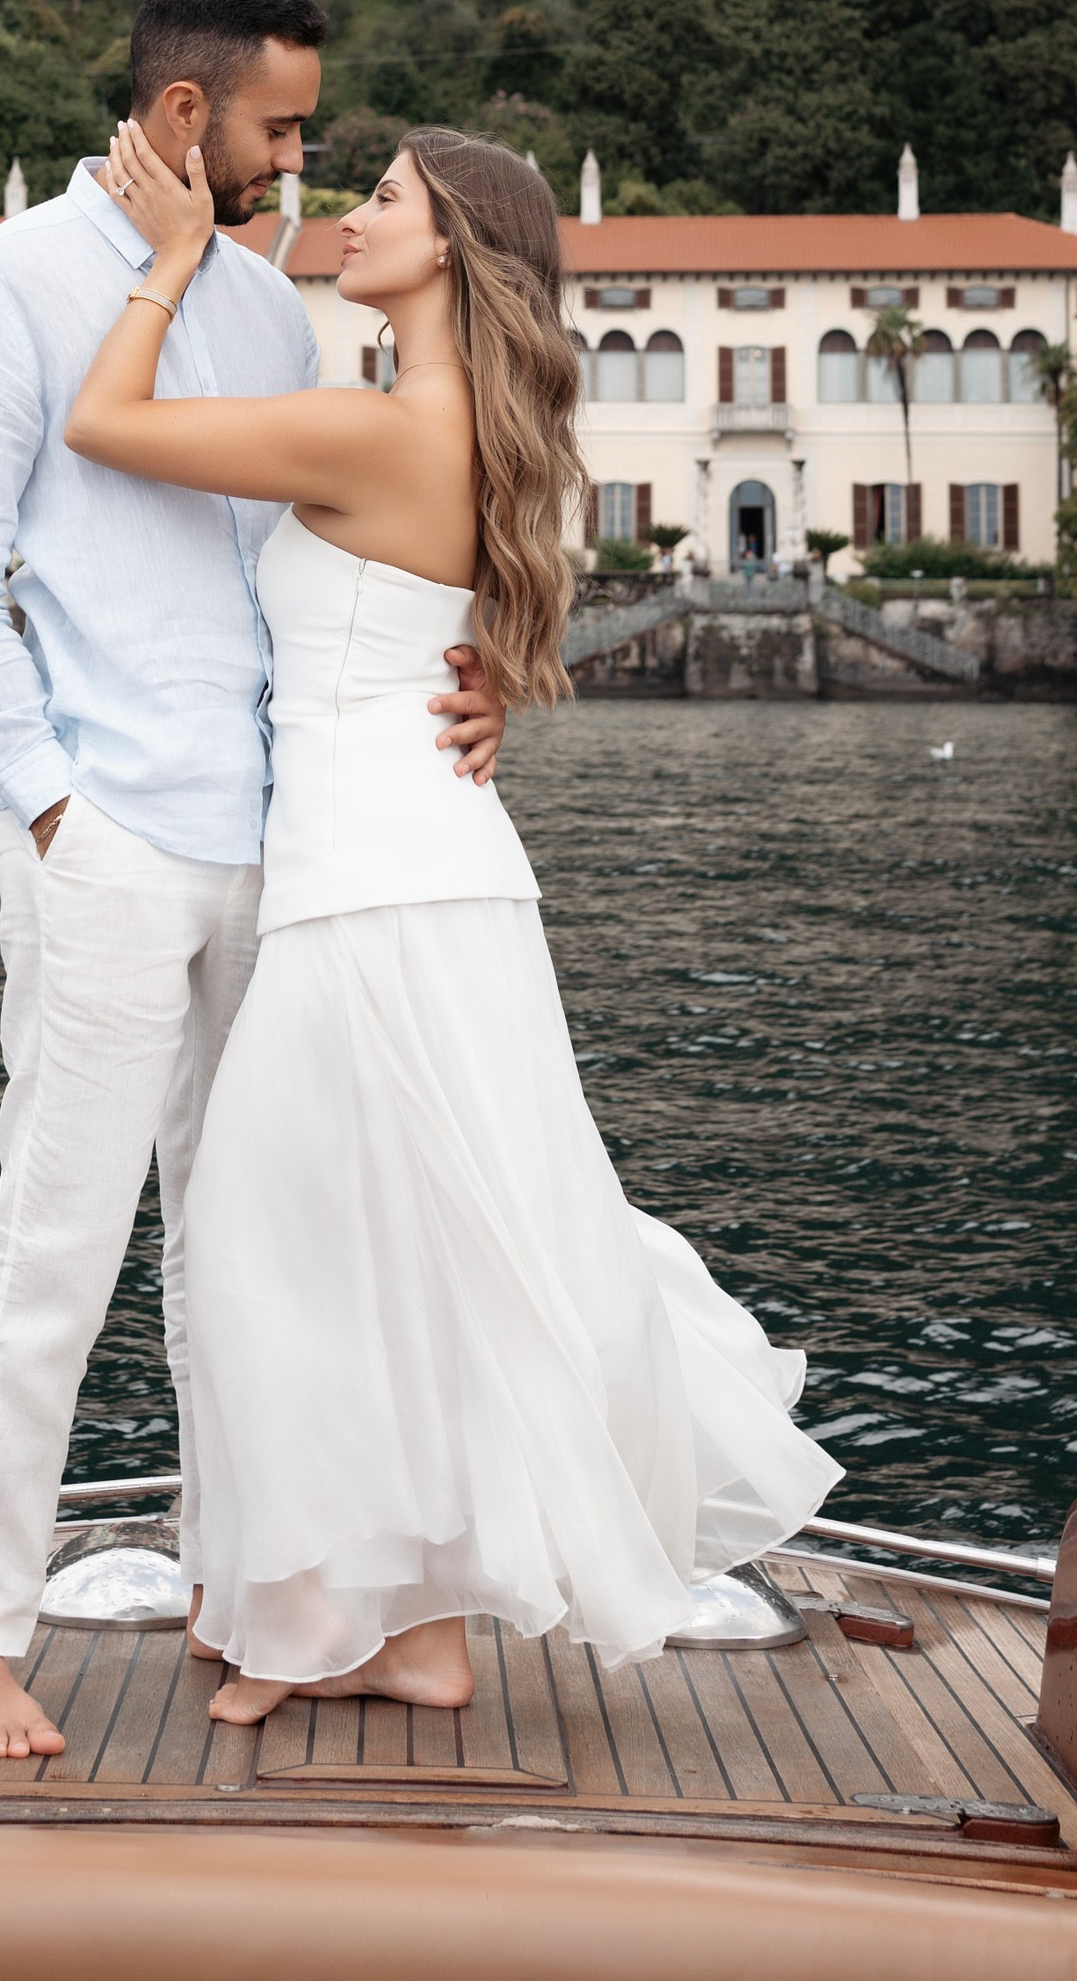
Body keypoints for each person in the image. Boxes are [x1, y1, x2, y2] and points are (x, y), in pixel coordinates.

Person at [66, 120, 841, 1724]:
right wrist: (483, 690)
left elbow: (104, 424)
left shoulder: (378, 427)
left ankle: (348, 1619)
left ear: (453, 252)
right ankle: (407, 1630)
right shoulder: (451, 429)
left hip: (382, 891)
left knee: (273, 1245)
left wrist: (169, 265)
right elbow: (432, 635)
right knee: (393, 1251)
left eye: (385, 200)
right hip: (411, 868)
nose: (351, 216)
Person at [0, 0, 509, 1760]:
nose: (299, 159)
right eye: (281, 129)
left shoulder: (259, 309)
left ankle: (248, 1592)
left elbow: (311, 567)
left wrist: (457, 680)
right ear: (187, 121)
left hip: (279, 845)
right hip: (108, 830)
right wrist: (46, 799)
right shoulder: (6, 286)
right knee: (59, 1238)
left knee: (251, 1250)